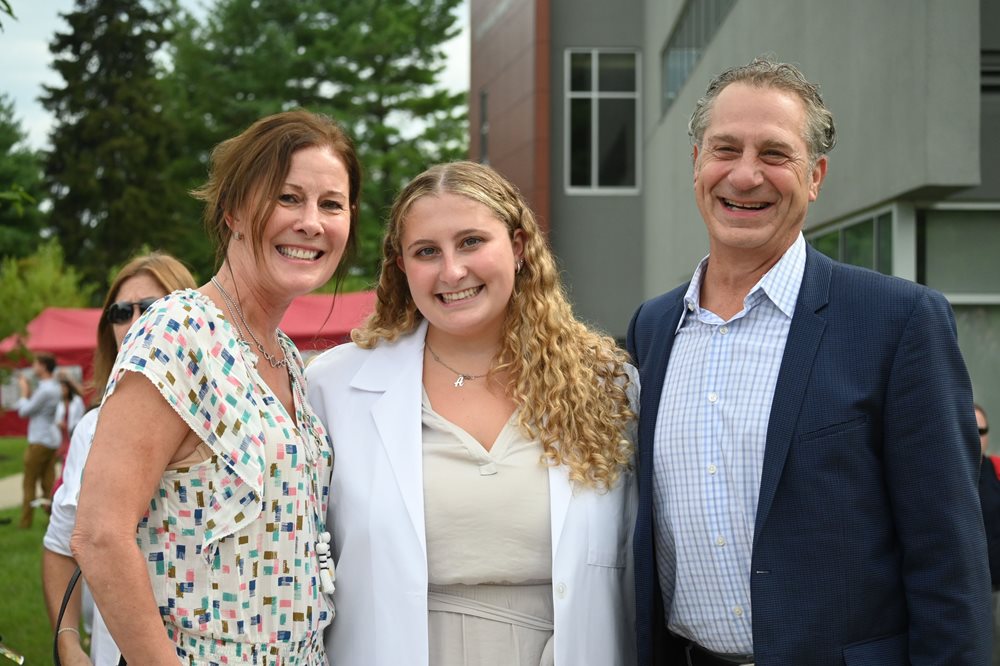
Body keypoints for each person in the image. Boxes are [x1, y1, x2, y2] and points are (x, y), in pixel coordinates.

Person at [627, 57, 990, 665]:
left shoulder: (896, 321)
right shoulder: (654, 328)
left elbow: (948, 556)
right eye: (725, 149)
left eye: (775, 154)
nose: (745, 175)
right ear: (696, 163)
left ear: (815, 176)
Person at [306, 160, 638, 666]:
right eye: (426, 252)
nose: (452, 271)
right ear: (401, 266)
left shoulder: (607, 385)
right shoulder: (333, 387)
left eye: (471, 242)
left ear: (519, 247)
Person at [72, 109, 360, 664]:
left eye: (331, 204)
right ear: (233, 211)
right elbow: (99, 535)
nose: (311, 222)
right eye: (287, 198)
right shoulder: (177, 331)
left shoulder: (285, 356)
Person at [43, 251, 197, 666]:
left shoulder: (228, 420)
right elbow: (59, 546)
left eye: (151, 308)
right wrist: (68, 643)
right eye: (121, 312)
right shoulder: (92, 429)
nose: (135, 323)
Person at [15, 351, 62, 528]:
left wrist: (23, 392)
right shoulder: (54, 387)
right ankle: (54, 521)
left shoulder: (45, 390)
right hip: (51, 440)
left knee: (29, 482)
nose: (33, 367)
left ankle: (25, 523)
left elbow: (24, 411)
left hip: (39, 441)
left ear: (43, 366)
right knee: (48, 483)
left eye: (35, 364)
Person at [976, 404, 1000, 666]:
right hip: (971, 590)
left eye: (981, 431)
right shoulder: (946, 478)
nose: (976, 437)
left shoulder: (997, 470)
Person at [51, 372, 87, 496]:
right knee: (63, 462)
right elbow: (56, 418)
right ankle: (60, 489)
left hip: (72, 435)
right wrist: (59, 423)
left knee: (69, 461)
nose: (62, 390)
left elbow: (81, 417)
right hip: (62, 436)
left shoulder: (76, 401)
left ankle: (63, 487)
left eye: (64, 387)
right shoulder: (60, 403)